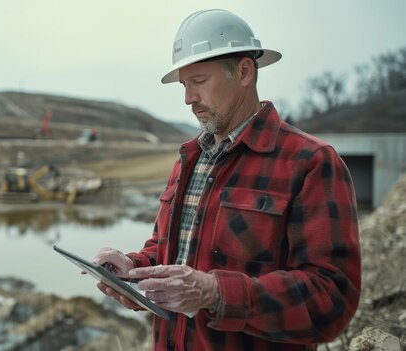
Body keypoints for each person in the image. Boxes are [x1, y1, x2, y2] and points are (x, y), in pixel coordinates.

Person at [93, 9, 361, 351]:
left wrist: (213, 291)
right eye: (185, 84)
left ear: (245, 71)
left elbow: (332, 301)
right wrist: (134, 270)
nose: (188, 98)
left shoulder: (310, 163)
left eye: (199, 81)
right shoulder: (189, 159)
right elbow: (170, 256)